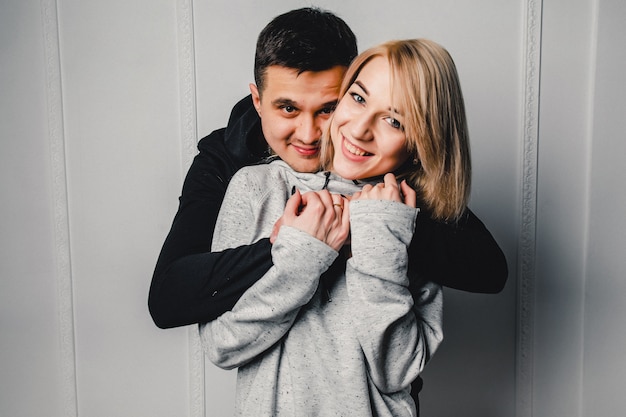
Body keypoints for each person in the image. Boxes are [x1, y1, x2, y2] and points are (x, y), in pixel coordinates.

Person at [148, 6, 507, 412]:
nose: (309, 133)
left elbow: (486, 268)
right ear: (257, 101)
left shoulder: (403, 202)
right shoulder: (239, 174)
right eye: (287, 108)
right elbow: (178, 306)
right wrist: (298, 249)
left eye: (328, 108)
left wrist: (379, 233)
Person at [201, 38, 471, 416]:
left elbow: (398, 370)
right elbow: (222, 346)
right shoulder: (256, 188)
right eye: (358, 98)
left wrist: (381, 240)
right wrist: (303, 256)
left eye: (394, 120)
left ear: (421, 142)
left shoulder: (409, 216)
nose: (360, 130)